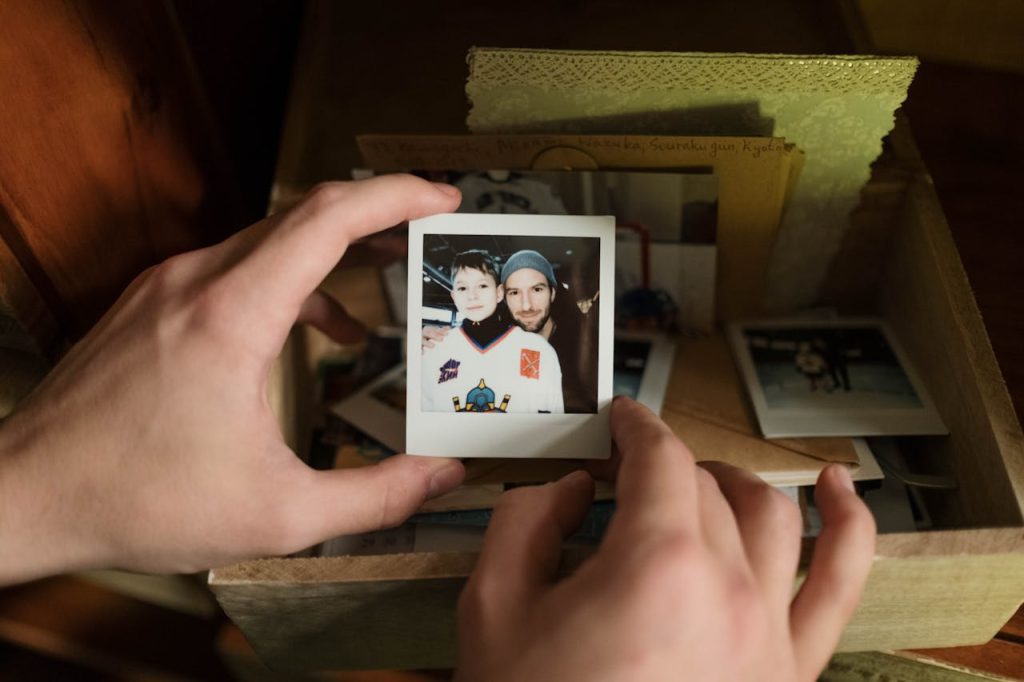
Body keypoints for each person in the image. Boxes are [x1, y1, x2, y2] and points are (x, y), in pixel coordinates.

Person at [0, 176, 876, 680]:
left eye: (527, 292)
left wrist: (31, 487)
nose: (512, 300)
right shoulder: (471, 337)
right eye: (499, 290)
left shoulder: (539, 340)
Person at [425, 248, 599, 413]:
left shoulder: (585, 346)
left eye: (537, 289)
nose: (526, 305)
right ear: (504, 296)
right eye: (514, 293)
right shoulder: (439, 346)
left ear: (552, 293)